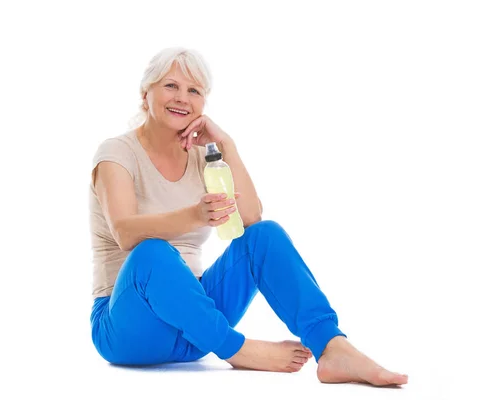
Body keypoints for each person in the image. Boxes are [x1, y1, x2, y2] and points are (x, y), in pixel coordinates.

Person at [88, 47, 408, 386]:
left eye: (194, 90)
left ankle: (331, 347)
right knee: (151, 253)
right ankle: (238, 351)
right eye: (170, 86)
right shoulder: (116, 153)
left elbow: (251, 216)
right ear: (145, 94)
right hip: (129, 329)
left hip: (197, 333)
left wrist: (227, 145)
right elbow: (124, 232)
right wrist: (195, 215)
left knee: (264, 235)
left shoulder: (203, 156)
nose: (182, 98)